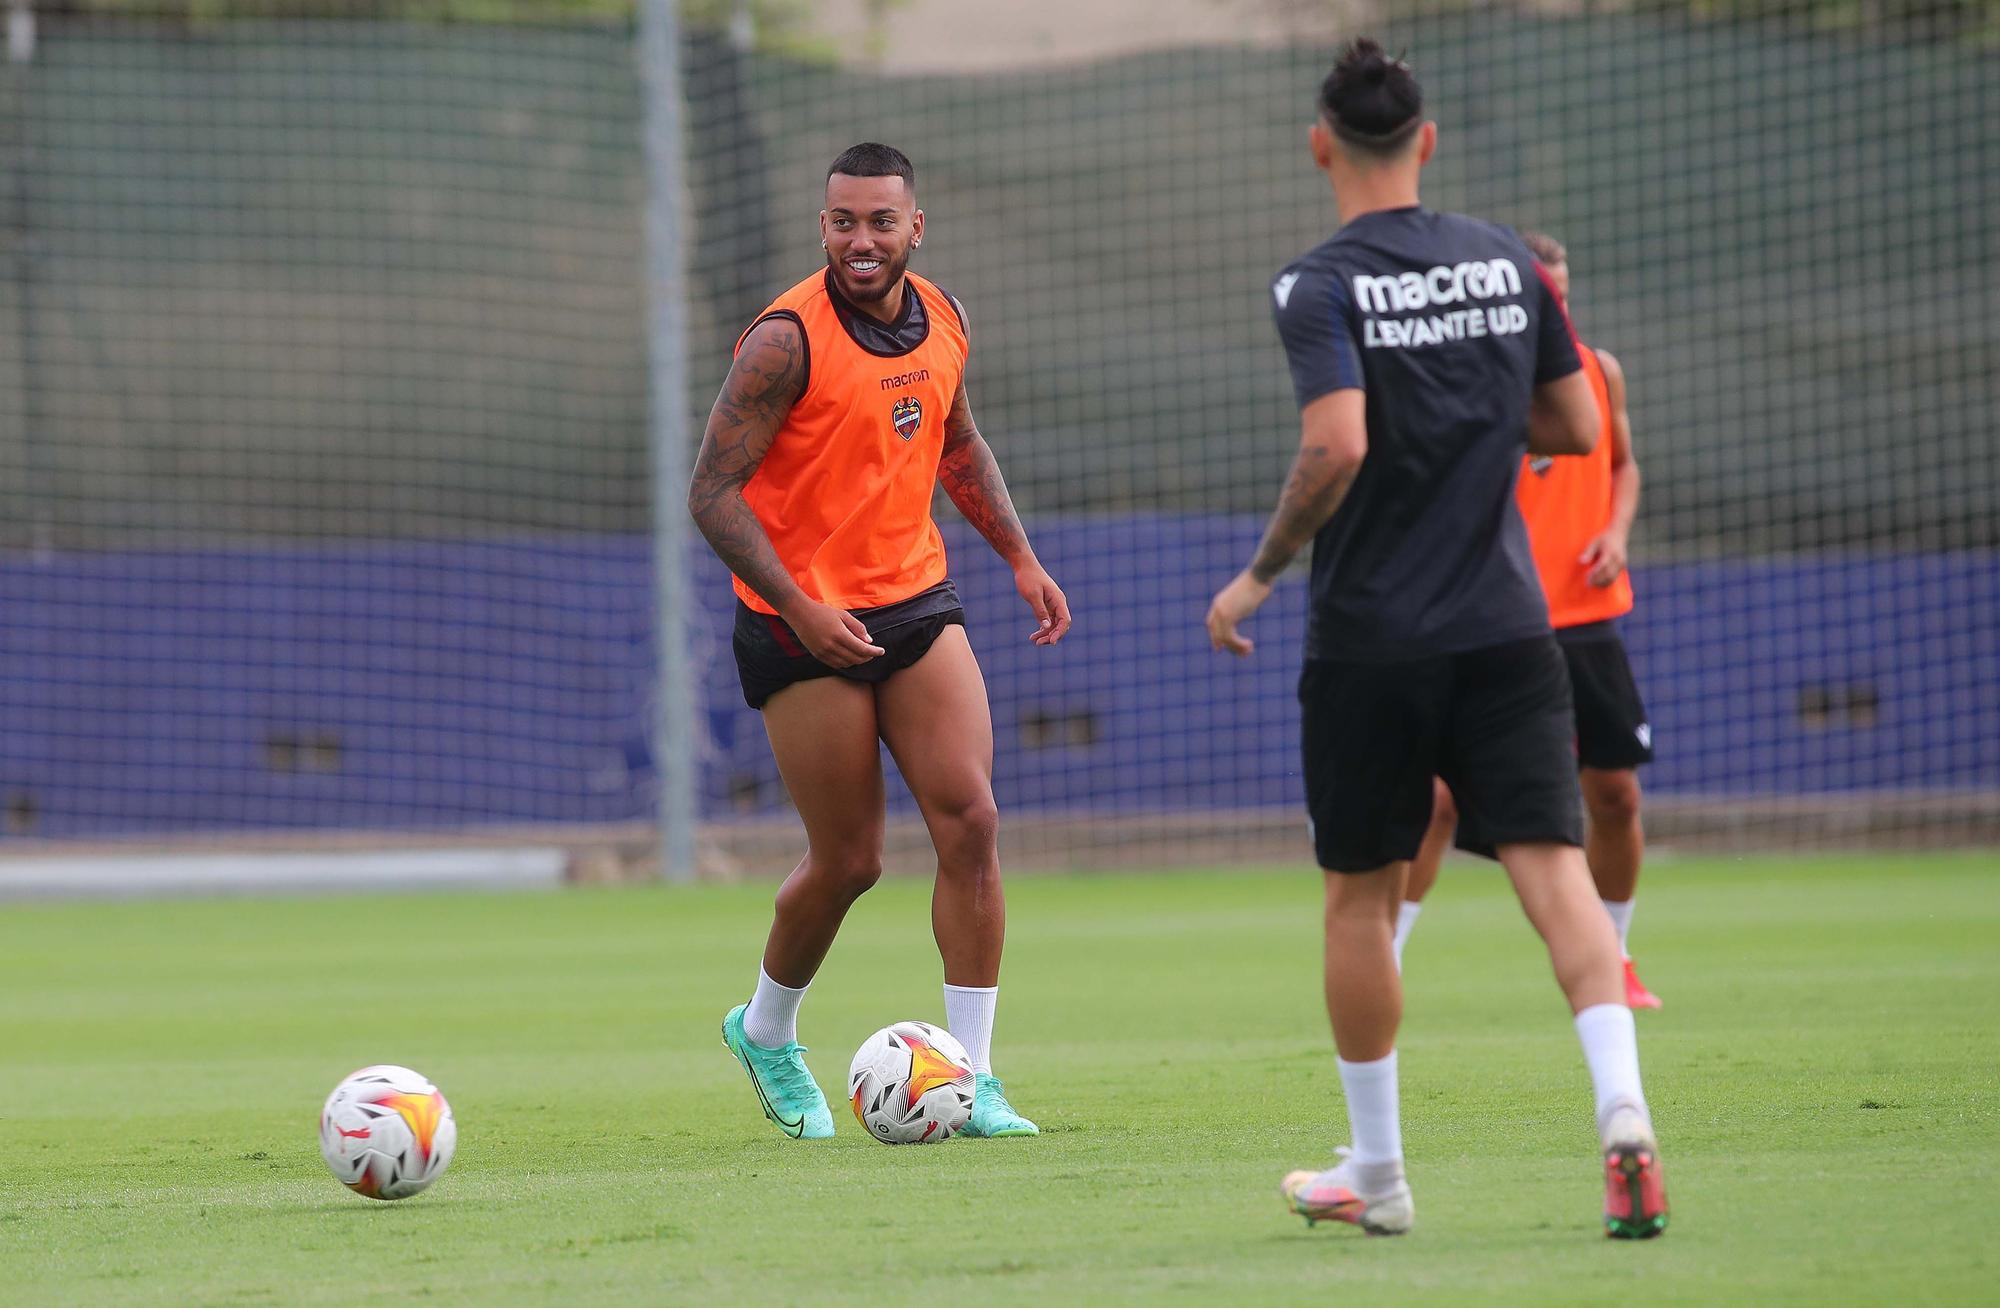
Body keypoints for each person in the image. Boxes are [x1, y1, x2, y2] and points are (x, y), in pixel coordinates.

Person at [1204, 42, 1668, 1238]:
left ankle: (1377, 1174)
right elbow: (1572, 423)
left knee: (1358, 900)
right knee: (1553, 876)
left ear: (1320, 147)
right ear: (1428, 140)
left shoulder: (1315, 283)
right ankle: (1622, 1112)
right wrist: (1467, 400)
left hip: (1370, 641)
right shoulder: (1509, 262)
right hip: (1510, 630)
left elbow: (1339, 442)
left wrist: (1258, 575)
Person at [688, 142, 1070, 1141]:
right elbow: (711, 493)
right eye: (844, 222)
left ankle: (975, 1076)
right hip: (797, 622)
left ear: (914, 227)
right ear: (823, 228)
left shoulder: (942, 315)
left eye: (880, 222)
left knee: (972, 820)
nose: (862, 240)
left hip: (912, 603)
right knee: (850, 859)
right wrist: (801, 607)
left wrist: (1020, 558)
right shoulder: (781, 341)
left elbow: (955, 440)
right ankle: (765, 1031)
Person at [1394, 232, 1660, 1011]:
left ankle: (1615, 955)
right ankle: (1389, 956)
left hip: (1584, 617)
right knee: (1437, 798)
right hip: (1492, 616)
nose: (1558, 307)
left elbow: (1621, 466)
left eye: (1564, 293)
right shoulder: (1467, 384)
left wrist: (1615, 531)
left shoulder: (1598, 372)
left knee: (1614, 794)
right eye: (1545, 293)